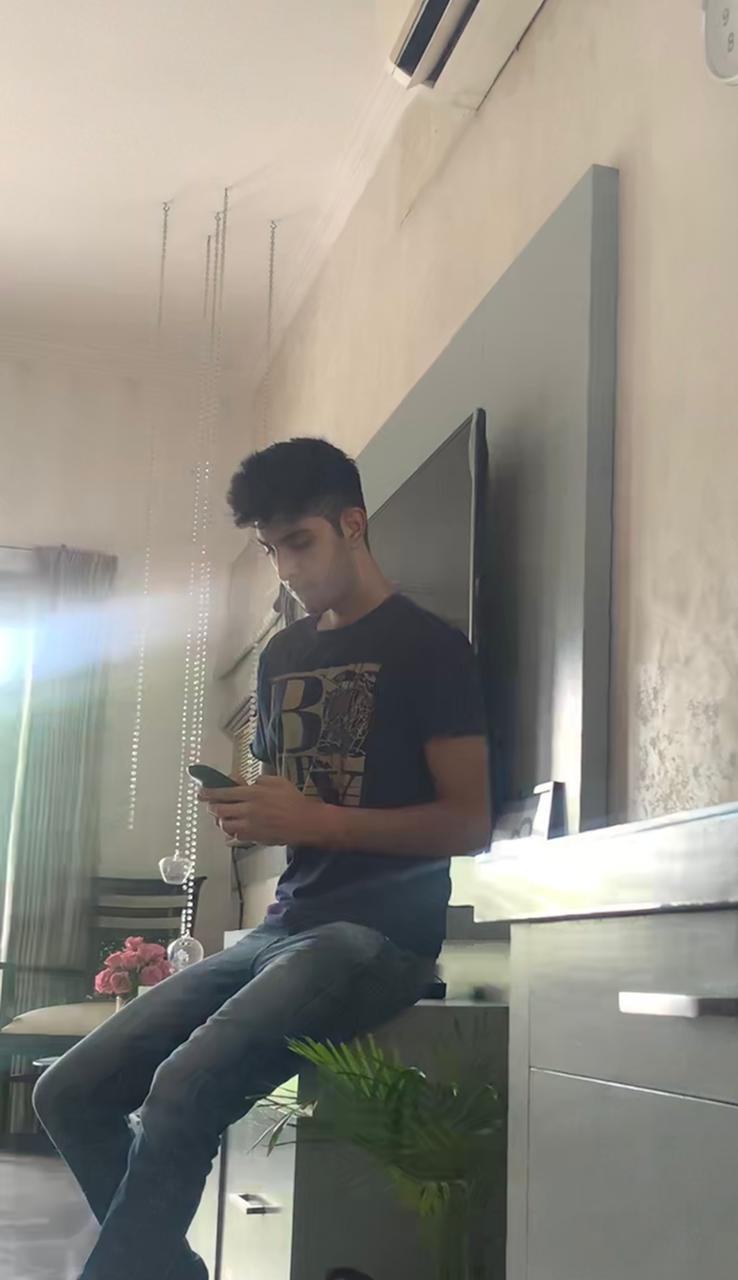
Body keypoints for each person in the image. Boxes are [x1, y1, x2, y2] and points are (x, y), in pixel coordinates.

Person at [33, 437, 490, 1280]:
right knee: (66, 1091)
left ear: (352, 524)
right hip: (283, 929)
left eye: (300, 542)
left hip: (378, 941)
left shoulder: (434, 649)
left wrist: (317, 819)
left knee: (182, 1087)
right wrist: (258, 815)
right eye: (272, 548)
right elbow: (299, 804)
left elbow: (468, 823)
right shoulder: (283, 657)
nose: (286, 568)